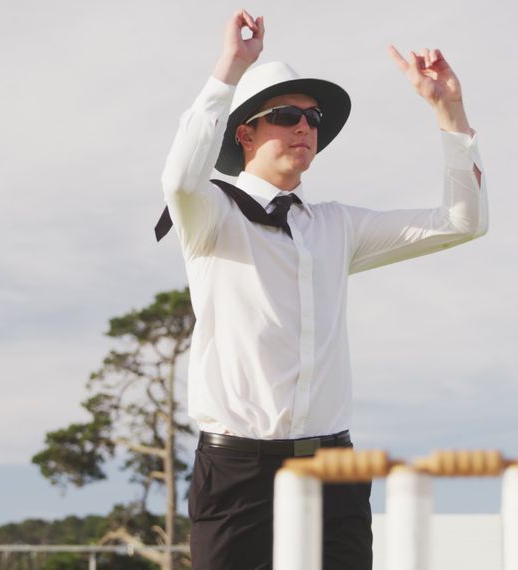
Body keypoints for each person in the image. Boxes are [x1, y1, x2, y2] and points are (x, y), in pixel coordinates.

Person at [156, 8, 488, 569]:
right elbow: (179, 179)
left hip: (335, 471)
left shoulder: (337, 226)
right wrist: (231, 68)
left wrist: (449, 113)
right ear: (245, 133)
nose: (305, 127)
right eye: (286, 115)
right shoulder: (212, 214)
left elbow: (462, 222)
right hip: (239, 474)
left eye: (312, 118)